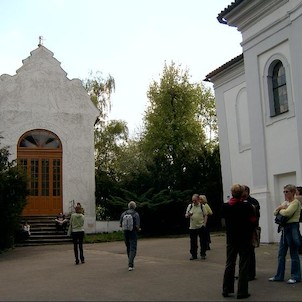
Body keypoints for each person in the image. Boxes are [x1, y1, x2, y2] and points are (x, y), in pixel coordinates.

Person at [222, 184, 256, 299]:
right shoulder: (247, 207)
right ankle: (242, 291)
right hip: (244, 239)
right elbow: (253, 221)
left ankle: (226, 289)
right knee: (243, 264)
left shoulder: (226, 206)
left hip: (231, 238)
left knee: (230, 263)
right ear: (242, 194)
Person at [269, 184, 301, 284]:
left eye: (287, 191)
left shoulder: (295, 202)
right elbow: (274, 212)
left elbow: (287, 213)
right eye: (284, 192)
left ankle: (295, 276)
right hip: (285, 229)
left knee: (293, 254)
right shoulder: (286, 202)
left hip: (292, 228)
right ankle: (279, 276)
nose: (285, 193)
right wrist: (281, 208)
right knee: (281, 254)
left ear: (293, 192)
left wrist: (281, 209)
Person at [242, 185, 260, 281]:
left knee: (250, 252)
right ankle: (244, 272)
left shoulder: (253, 202)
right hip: (242, 231)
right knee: (244, 253)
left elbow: (256, 216)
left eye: (242, 191)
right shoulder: (240, 201)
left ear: (247, 191)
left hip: (250, 230)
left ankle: (251, 273)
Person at [185, 194, 208, 260]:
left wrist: (204, 224)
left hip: (201, 226)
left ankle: (203, 254)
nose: (193, 202)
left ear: (198, 199)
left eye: (195, 200)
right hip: (192, 227)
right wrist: (188, 214)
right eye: (192, 200)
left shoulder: (202, 206)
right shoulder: (190, 206)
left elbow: (205, 215)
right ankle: (193, 255)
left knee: (203, 241)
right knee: (193, 242)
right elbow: (186, 215)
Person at [120, 201, 141, 271]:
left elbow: (120, 225)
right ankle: (130, 264)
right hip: (133, 233)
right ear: (134, 207)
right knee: (133, 248)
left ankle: (130, 262)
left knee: (128, 247)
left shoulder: (124, 213)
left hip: (125, 232)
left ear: (128, 206)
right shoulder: (136, 214)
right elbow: (137, 225)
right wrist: (138, 229)